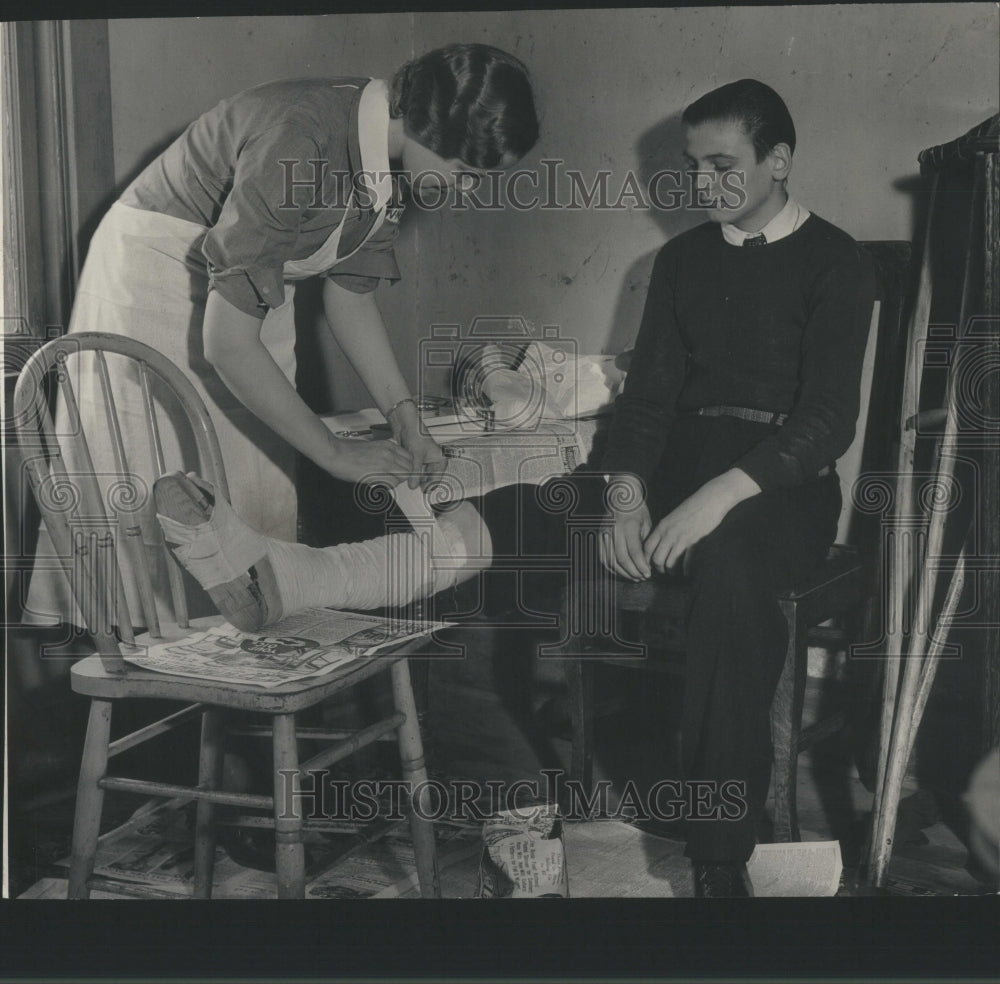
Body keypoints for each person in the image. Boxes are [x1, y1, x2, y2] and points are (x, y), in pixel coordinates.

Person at [153, 79, 877, 898]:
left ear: (778, 161)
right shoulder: (678, 261)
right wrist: (631, 489)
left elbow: (826, 421)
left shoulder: (837, 261)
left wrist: (716, 497)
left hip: (777, 488)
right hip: (674, 466)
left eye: (723, 165)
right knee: (525, 508)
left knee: (733, 576)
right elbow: (646, 405)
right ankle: (294, 578)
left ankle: (718, 857)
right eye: (692, 167)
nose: (701, 185)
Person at [23, 44, 538, 629]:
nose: (467, 192)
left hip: (245, 288)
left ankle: (243, 635)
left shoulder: (383, 158)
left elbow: (351, 293)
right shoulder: (304, 138)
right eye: (465, 175)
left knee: (253, 502)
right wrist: (333, 451)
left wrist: (406, 420)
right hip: (157, 278)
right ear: (423, 127)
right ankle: (165, 662)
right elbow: (227, 345)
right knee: (149, 492)